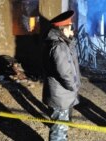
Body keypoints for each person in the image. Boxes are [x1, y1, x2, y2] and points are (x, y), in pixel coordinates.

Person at [42, 10, 81, 140]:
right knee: (58, 130)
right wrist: (74, 87)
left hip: (62, 94)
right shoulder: (59, 46)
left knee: (61, 126)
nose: (73, 30)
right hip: (60, 96)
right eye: (71, 27)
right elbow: (65, 73)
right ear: (63, 29)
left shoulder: (63, 43)